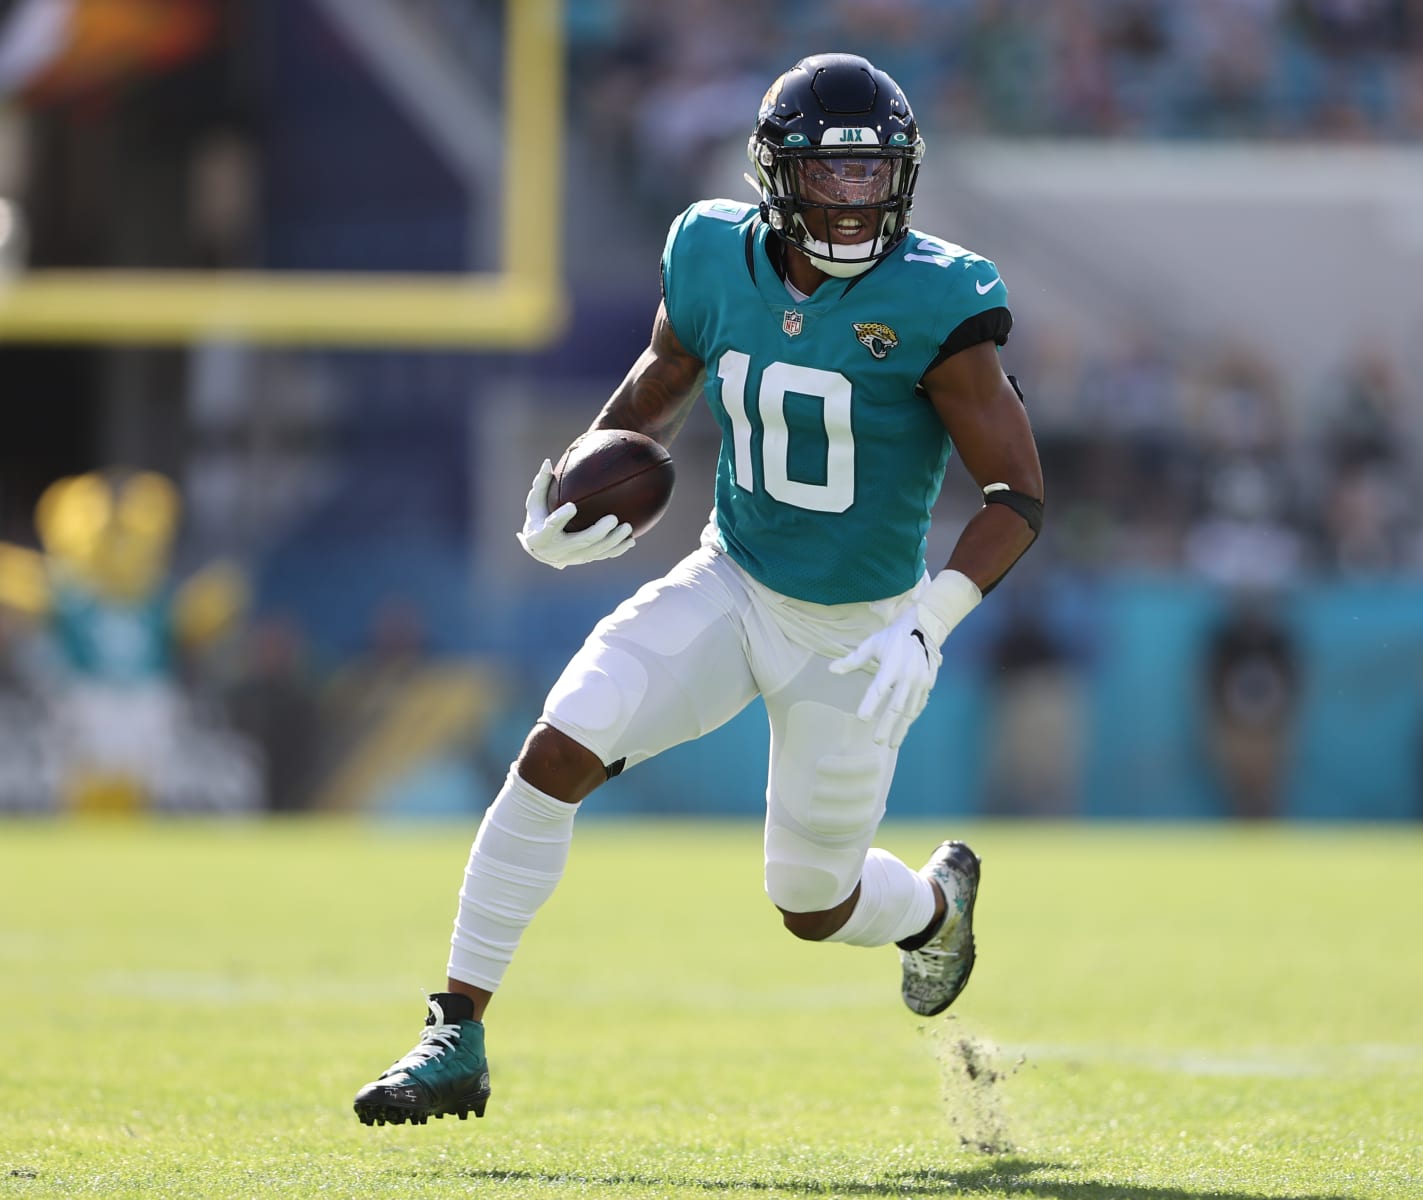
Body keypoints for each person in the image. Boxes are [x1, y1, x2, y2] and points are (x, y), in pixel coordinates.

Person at [352, 53, 1044, 1127]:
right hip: (730, 580)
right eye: (834, 174)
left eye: (875, 175)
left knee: (811, 904)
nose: (857, 199)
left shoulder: (940, 298)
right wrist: (588, 470)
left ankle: (933, 906)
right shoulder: (713, 252)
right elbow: (666, 377)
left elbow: (1018, 495)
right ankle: (456, 1031)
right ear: (778, 176)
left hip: (857, 632)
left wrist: (929, 619)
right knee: (557, 744)